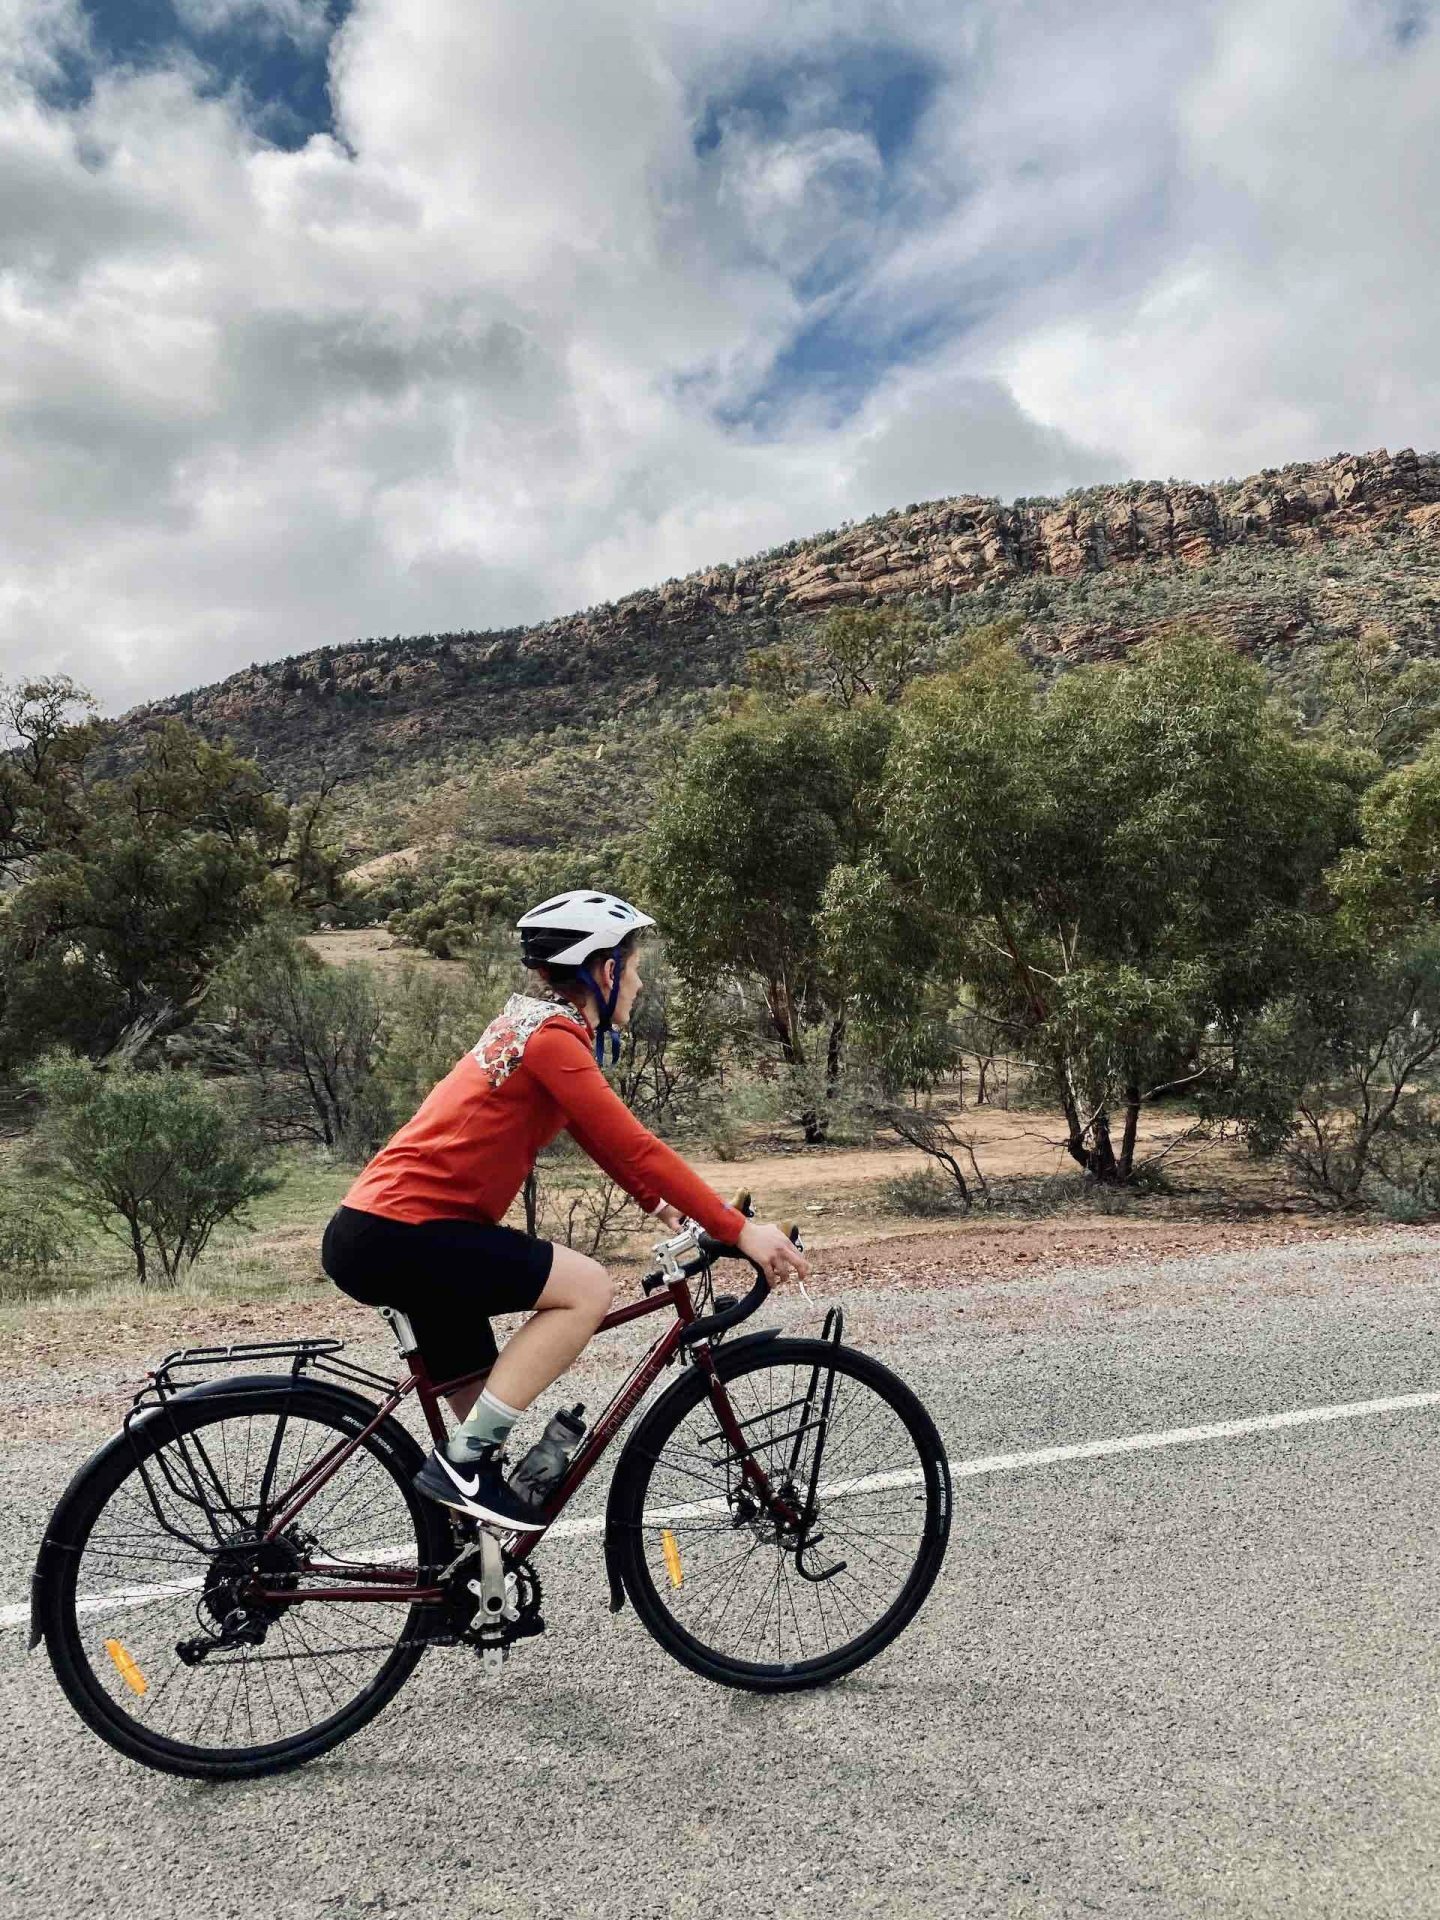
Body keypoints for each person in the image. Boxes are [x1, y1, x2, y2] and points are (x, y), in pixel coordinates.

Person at [321, 889, 809, 1530]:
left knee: (482, 1408)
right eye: (634, 969)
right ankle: (462, 1465)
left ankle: (468, 1558)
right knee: (586, 1288)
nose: (638, 983)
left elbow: (600, 1138)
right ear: (605, 970)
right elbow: (637, 1144)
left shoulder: (534, 1026)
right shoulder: (551, 1038)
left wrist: (661, 1204)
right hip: (405, 1235)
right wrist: (738, 1229)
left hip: (386, 1231)